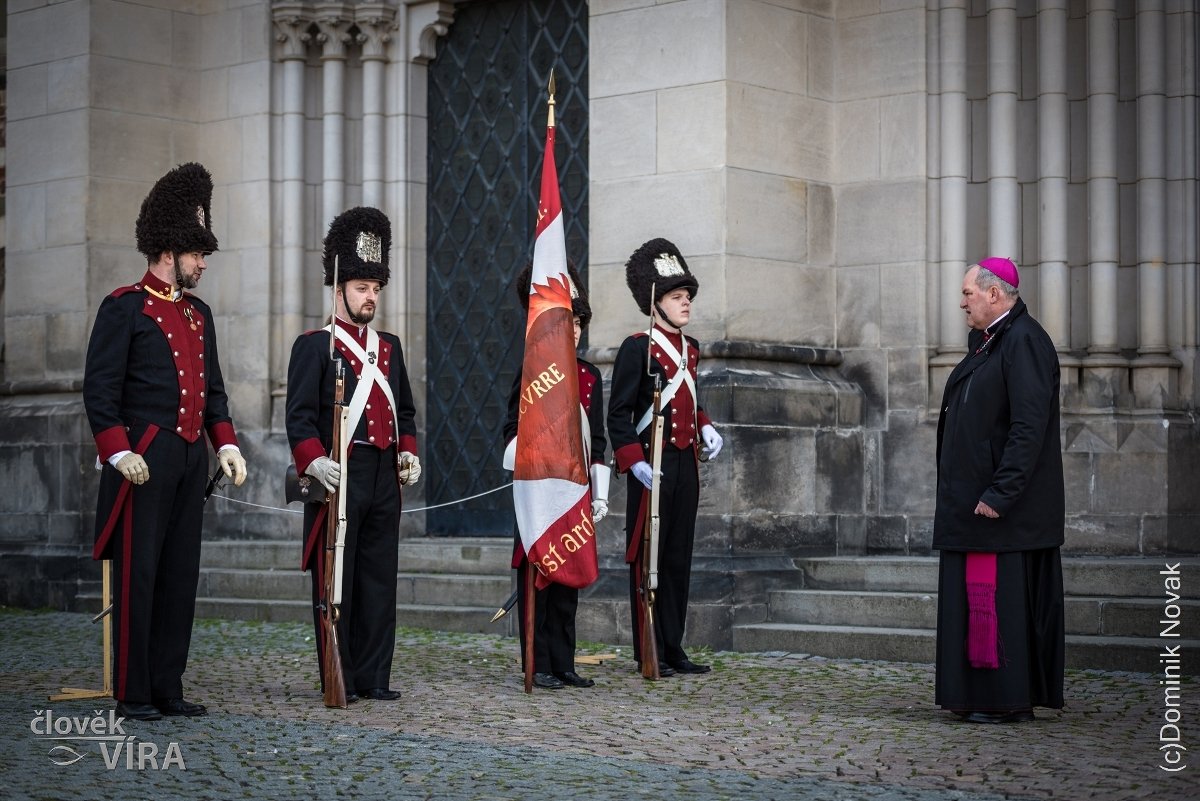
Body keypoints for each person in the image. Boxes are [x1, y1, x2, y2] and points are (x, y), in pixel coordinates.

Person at [84, 162, 248, 722]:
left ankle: (167, 686)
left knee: (180, 575)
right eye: (197, 254)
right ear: (168, 249)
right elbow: (99, 391)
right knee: (141, 575)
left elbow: (216, 393)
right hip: (143, 462)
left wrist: (225, 444)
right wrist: (118, 450)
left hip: (187, 460)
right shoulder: (124, 306)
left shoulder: (199, 315)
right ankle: (133, 691)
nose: (203, 264)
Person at [286, 206, 420, 704]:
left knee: (379, 577)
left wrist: (408, 453)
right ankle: (336, 674)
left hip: (383, 473)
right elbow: (299, 417)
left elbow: (404, 411)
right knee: (335, 575)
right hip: (341, 472)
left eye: (376, 288)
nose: (372, 298)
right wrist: (313, 459)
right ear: (339, 288)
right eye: (363, 287)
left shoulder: (389, 348)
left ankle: (374, 676)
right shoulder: (314, 346)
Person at [934, 257, 1065, 723]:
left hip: (1001, 512)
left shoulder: (1024, 341)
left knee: (997, 601)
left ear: (995, 293)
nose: (962, 300)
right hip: (973, 507)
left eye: (969, 292)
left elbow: (1029, 426)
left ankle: (1003, 698)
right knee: (972, 599)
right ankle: (974, 696)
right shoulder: (989, 342)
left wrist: (1001, 492)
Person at [607, 238, 723, 677]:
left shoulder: (691, 348)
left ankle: (673, 647)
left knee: (678, 556)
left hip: (684, 464)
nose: (686, 303)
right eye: (678, 297)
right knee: (647, 557)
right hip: (649, 465)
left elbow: (691, 400)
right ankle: (648, 649)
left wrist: (706, 425)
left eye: (687, 296)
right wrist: (632, 461)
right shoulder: (636, 347)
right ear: (656, 304)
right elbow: (618, 415)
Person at [502, 263, 610, 690]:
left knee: (568, 583)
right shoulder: (532, 371)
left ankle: (564, 662)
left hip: (575, 491)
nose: (577, 330)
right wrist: (527, 460)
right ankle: (539, 662)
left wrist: (599, 495)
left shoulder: (589, 376)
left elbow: (597, 441)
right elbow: (510, 430)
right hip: (538, 491)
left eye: (580, 322)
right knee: (538, 584)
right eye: (568, 321)